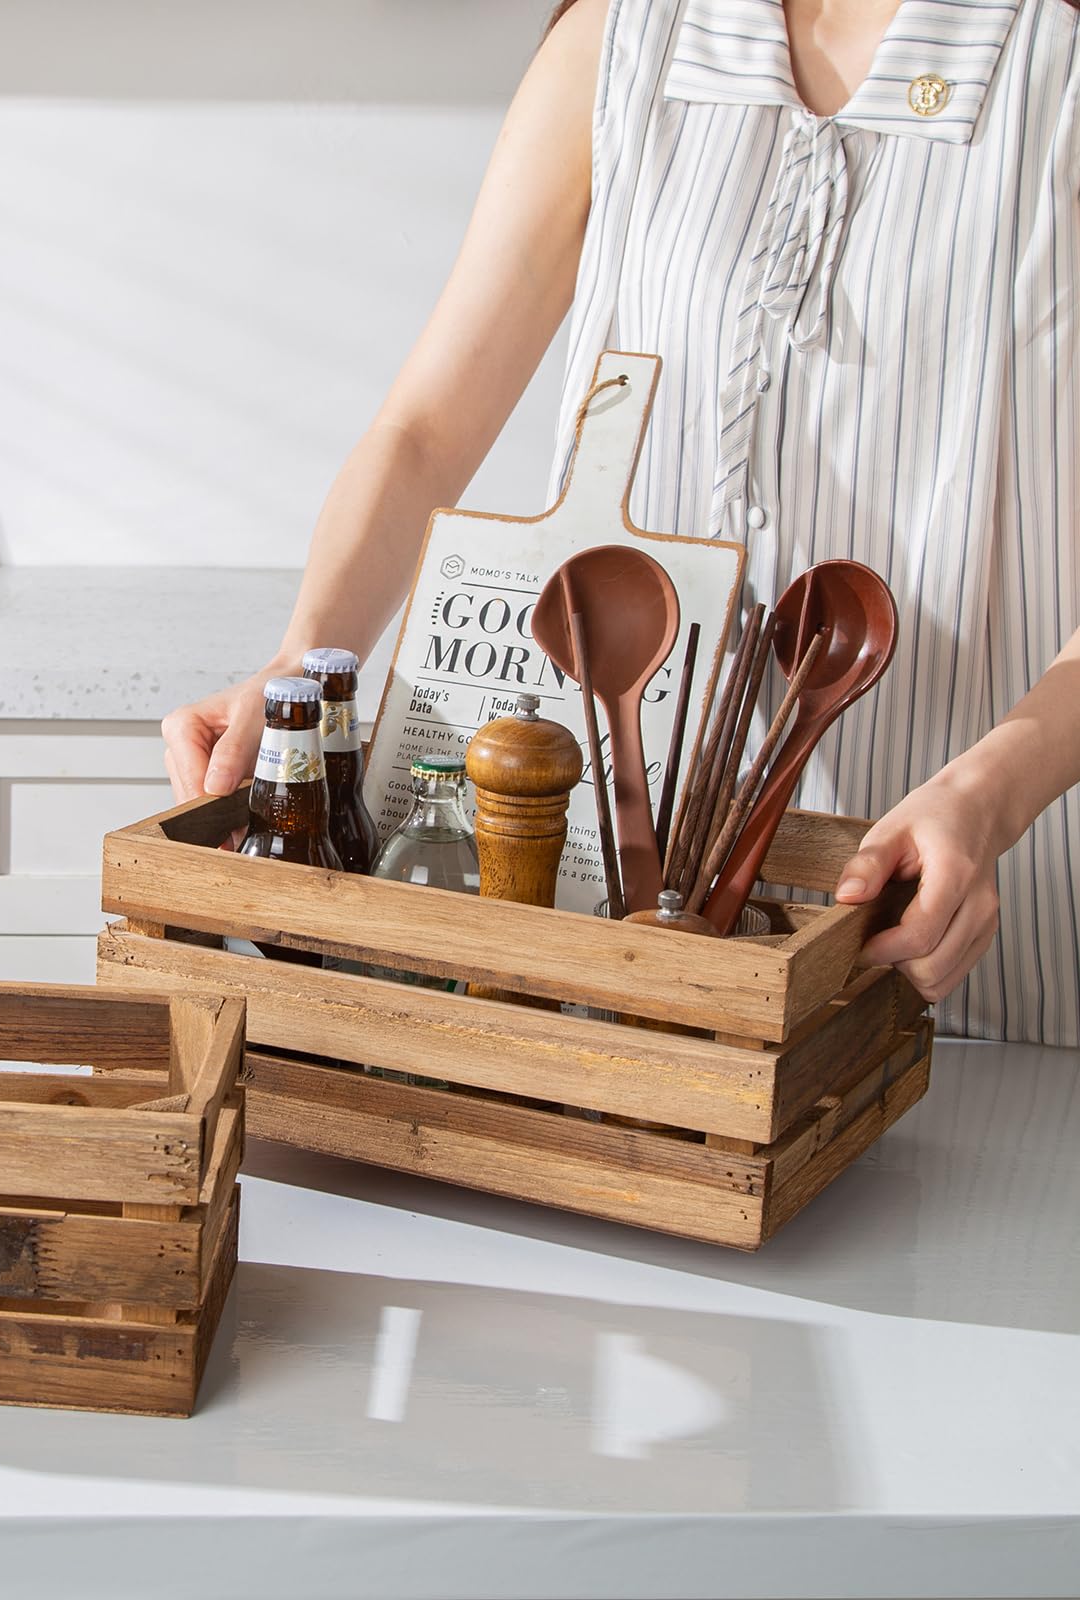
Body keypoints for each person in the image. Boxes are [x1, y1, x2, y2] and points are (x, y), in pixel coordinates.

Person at [160, 0, 1080, 1046]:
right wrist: (300, 663)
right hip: (621, 938)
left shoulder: (1051, 64)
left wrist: (989, 792)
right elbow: (424, 429)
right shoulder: (621, 35)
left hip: (951, 921)